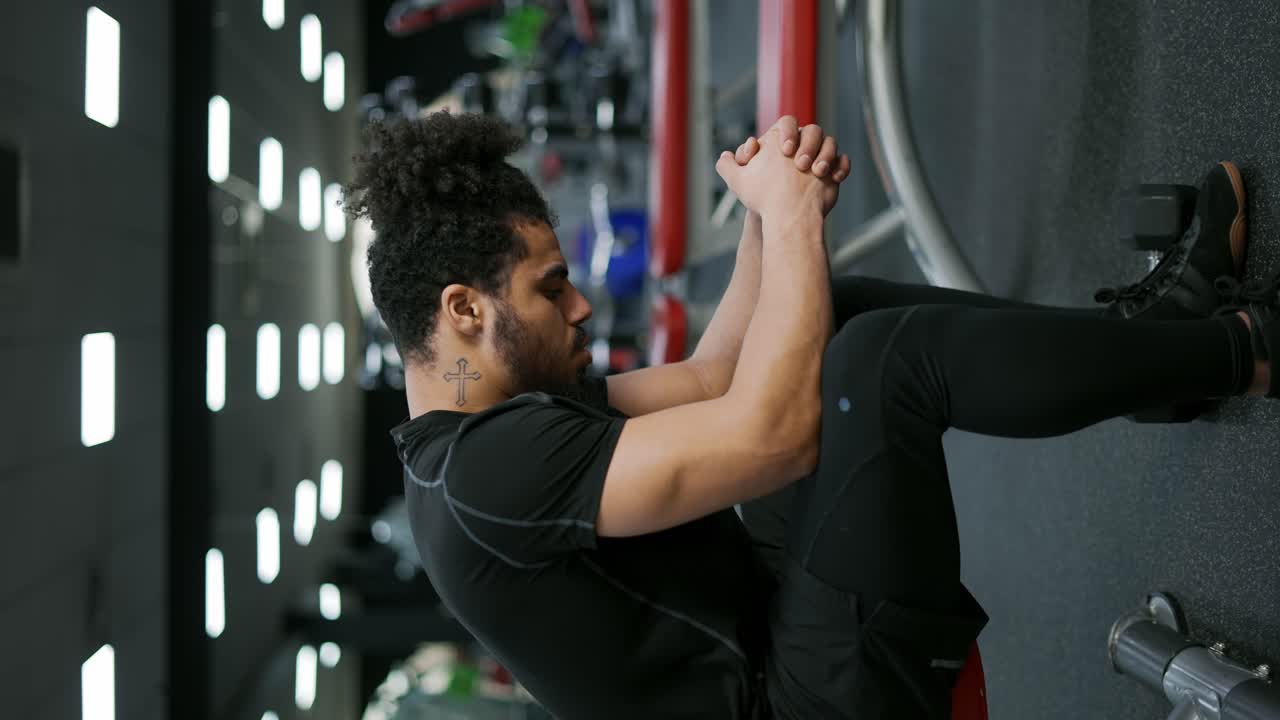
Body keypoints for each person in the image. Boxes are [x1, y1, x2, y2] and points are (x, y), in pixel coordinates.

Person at [342, 110, 1276, 719]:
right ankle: (1247, 352)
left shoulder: (493, 428)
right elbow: (774, 436)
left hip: (781, 629)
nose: (581, 307)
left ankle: (1158, 355)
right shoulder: (481, 476)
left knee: (834, 316)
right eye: (552, 290)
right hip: (795, 703)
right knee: (879, 363)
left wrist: (764, 221)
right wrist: (791, 222)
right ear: (465, 311)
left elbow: (718, 378)